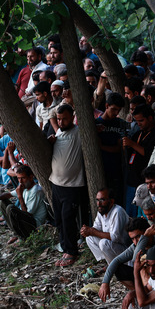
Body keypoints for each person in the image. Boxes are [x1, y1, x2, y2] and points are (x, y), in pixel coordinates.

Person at [49, 104, 86, 267]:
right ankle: (66, 248)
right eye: (59, 119)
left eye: (65, 118)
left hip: (72, 186)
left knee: (68, 218)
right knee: (59, 219)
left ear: (72, 117)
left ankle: (72, 251)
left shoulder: (79, 133)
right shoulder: (58, 132)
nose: (61, 122)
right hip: (55, 184)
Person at [98, 217, 155, 302]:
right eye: (132, 239)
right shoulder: (135, 246)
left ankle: (149, 296)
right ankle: (139, 293)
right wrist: (105, 282)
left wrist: (146, 236)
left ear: (148, 231)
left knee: (142, 266)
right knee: (119, 269)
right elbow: (116, 260)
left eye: (138, 237)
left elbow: (136, 259)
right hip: (143, 282)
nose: (135, 242)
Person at [0, 165, 47, 244]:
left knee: (11, 208)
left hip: (34, 225)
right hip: (26, 221)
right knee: (3, 202)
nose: (20, 181)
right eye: (18, 178)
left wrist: (20, 196)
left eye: (23, 178)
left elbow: (27, 214)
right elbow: (9, 194)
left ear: (31, 177)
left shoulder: (36, 191)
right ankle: (17, 234)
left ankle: (23, 237)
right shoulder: (25, 187)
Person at [123, 105, 155, 218]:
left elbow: (147, 153)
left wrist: (132, 144)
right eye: (137, 121)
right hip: (131, 180)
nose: (139, 123)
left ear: (150, 118)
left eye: (141, 120)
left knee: (143, 215)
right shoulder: (137, 134)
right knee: (130, 214)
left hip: (144, 182)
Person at [80, 188, 130, 266]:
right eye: (97, 200)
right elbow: (96, 228)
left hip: (126, 249)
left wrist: (92, 231)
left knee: (104, 243)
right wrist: (87, 230)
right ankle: (108, 263)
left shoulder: (117, 211)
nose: (99, 204)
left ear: (111, 201)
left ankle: (115, 267)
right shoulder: (101, 211)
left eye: (102, 200)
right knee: (90, 238)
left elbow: (115, 237)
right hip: (114, 247)